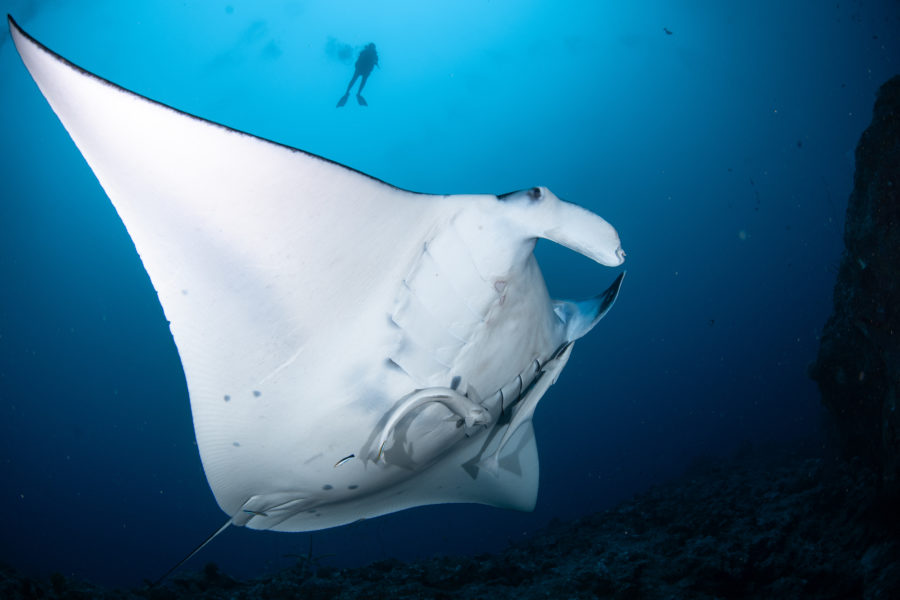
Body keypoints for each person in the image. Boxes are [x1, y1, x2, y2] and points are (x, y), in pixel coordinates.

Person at [337, 43, 378, 107]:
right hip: (361, 69)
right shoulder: (367, 53)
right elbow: (374, 62)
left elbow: (375, 62)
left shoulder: (372, 54)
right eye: (371, 47)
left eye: (372, 48)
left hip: (362, 70)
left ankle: (352, 93)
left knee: (357, 81)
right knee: (357, 81)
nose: (371, 49)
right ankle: (352, 93)